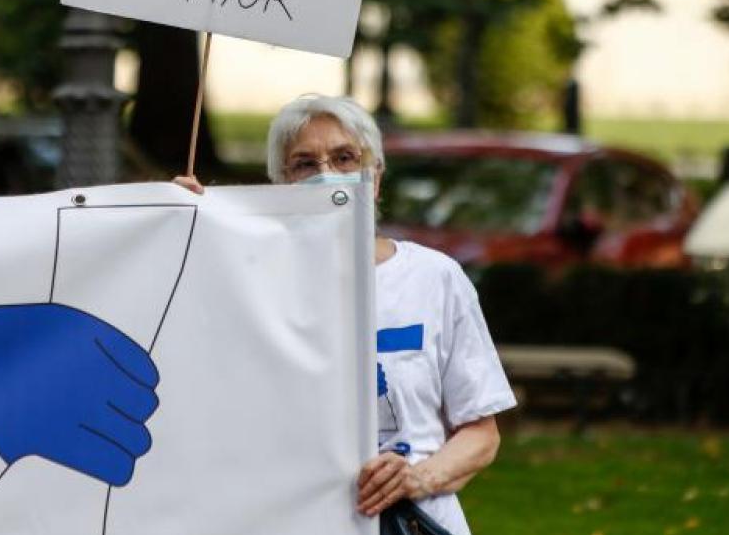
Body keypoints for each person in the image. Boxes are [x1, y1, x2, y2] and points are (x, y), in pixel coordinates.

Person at [175, 94, 515, 535]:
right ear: (280, 185)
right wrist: (174, 226)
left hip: (412, 523)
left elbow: (481, 433)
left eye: (344, 158)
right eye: (304, 164)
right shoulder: (249, 285)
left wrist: (416, 478)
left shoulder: (434, 279)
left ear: (374, 177)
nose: (327, 175)